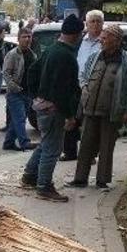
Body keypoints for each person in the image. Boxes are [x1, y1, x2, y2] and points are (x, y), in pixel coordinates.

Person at [66, 24, 127, 189]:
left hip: (112, 110)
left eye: (105, 38)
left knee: (107, 146)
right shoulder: (95, 56)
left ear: (116, 41)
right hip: (90, 108)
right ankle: (80, 178)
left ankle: (102, 180)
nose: (101, 40)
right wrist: (85, 88)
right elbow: (84, 75)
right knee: (85, 144)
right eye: (101, 37)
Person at [22, 14, 83, 202]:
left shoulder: (51, 50)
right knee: (53, 149)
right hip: (54, 108)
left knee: (46, 143)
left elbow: (32, 71)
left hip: (42, 104)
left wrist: (35, 95)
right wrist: (70, 115)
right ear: (76, 34)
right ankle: (44, 186)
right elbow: (65, 90)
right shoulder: (67, 56)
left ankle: (30, 175)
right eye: (80, 34)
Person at [61, 10, 104, 161]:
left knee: (90, 123)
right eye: (92, 21)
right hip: (75, 86)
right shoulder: (79, 41)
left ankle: (89, 154)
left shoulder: (105, 42)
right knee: (72, 118)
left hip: (93, 88)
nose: (96, 24)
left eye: (99, 21)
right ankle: (69, 152)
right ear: (86, 24)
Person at [2, 28, 38, 151]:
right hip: (15, 93)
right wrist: (14, 87)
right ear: (18, 39)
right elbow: (6, 73)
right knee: (20, 118)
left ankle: (8, 143)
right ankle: (24, 142)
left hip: (28, 93)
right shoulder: (13, 54)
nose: (27, 39)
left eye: (29, 36)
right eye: (24, 37)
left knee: (17, 119)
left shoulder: (32, 54)